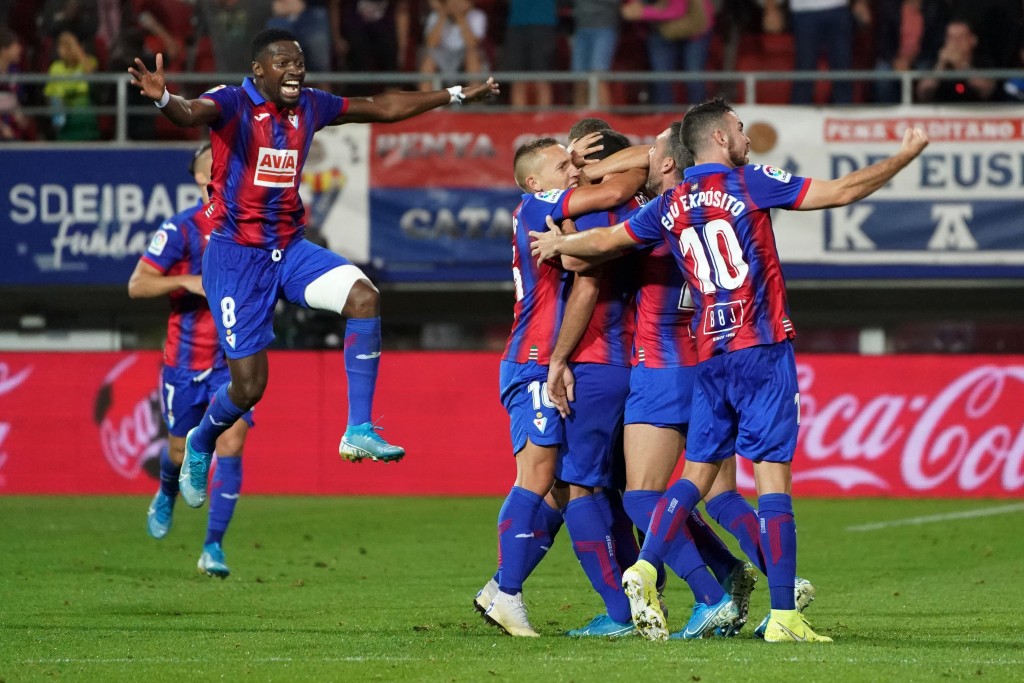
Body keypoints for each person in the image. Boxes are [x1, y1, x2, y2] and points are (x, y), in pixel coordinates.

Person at [530, 97, 929, 642]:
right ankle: (784, 615)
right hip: (760, 346)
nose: (747, 137)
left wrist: (561, 242)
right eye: (739, 128)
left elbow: (604, 241)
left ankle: (645, 565)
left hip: (710, 353)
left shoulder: (669, 205)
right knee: (771, 478)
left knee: (697, 477)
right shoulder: (750, 182)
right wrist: (903, 157)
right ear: (719, 137)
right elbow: (842, 192)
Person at [127, 28, 500, 509]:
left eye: (299, 61)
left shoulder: (311, 105)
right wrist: (164, 99)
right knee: (249, 388)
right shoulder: (233, 102)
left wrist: (454, 94)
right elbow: (189, 112)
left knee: (364, 297)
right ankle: (202, 441)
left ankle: (358, 428)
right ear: (258, 70)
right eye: (283, 62)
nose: (295, 70)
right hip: (237, 259)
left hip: (289, 249)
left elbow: (381, 107)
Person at [478, 135, 646, 637]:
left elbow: (578, 257)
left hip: (547, 360)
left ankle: (501, 589)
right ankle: (508, 595)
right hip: (532, 360)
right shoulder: (538, 204)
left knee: (557, 485)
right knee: (537, 476)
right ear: (534, 181)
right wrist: (654, 152)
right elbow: (613, 192)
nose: (573, 171)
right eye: (562, 166)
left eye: (574, 164)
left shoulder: (551, 210)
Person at [128, 143, 253, 578]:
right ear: (203, 177)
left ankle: (213, 547)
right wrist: (187, 280)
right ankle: (166, 492)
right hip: (184, 362)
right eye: (218, 165)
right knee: (179, 452)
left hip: (231, 361)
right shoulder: (181, 228)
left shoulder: (250, 227)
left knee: (231, 443)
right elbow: (138, 285)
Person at [621, 0, 715, 105]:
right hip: (659, 29)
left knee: (693, 75)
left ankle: (700, 112)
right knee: (661, 77)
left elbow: (677, 10)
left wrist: (642, 13)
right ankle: (664, 113)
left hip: (694, 27)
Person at [915, 19, 997, 103]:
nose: (955, 42)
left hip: (975, 109)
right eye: (951, 37)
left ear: (973, 40)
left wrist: (962, 65)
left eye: (961, 37)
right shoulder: (934, 62)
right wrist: (941, 65)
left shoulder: (983, 62)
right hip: (941, 109)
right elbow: (923, 93)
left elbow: (986, 91)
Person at [417, 0, 487, 91]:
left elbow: (472, 44)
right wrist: (443, 16)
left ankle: (474, 96)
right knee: (429, 59)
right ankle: (426, 97)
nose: (455, 4)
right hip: (442, 57)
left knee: (472, 56)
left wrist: (460, 17)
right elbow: (431, 44)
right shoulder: (435, 16)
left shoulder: (477, 16)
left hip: (463, 57)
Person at [44, 29, 100, 140]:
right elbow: (49, 93)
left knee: (81, 103)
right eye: (59, 46)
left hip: (82, 109)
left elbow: (90, 70)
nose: (60, 50)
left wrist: (75, 47)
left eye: (65, 46)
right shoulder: (55, 67)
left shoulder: (88, 61)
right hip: (62, 109)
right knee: (56, 103)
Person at [503, 0, 556, 107]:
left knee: (542, 77)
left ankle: (544, 116)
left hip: (542, 22)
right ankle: (518, 116)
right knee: (517, 78)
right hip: (516, 23)